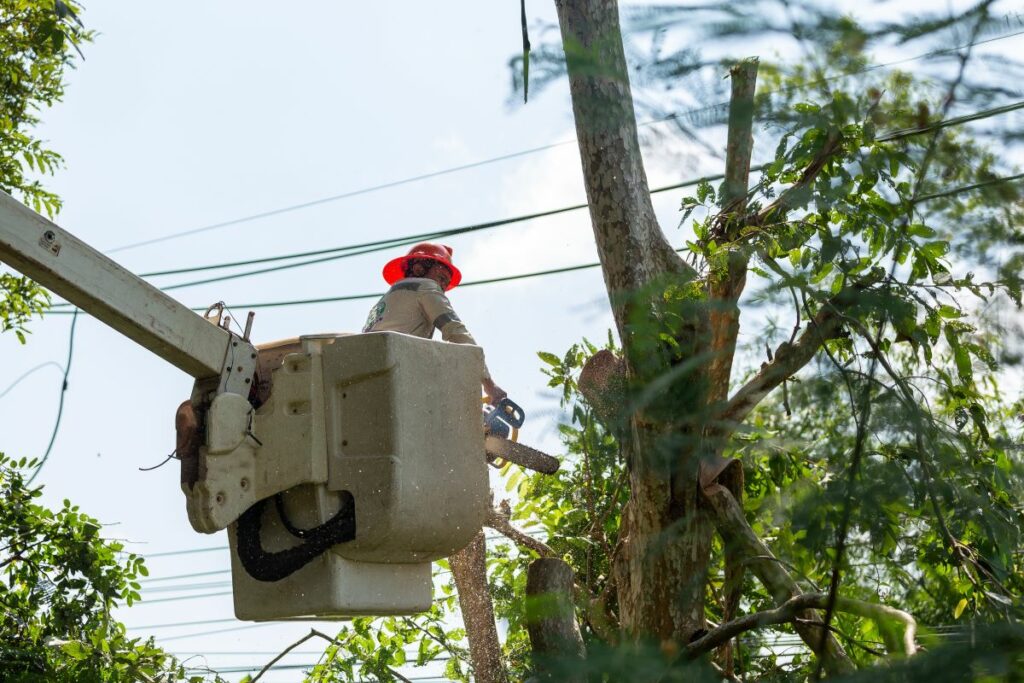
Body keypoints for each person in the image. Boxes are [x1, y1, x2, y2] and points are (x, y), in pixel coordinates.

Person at [363, 242, 506, 404]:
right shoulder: (426, 287)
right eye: (441, 278)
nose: (443, 288)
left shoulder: (384, 301)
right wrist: (490, 385)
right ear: (418, 269)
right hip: (400, 374)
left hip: (372, 377)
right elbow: (456, 333)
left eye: (446, 283)